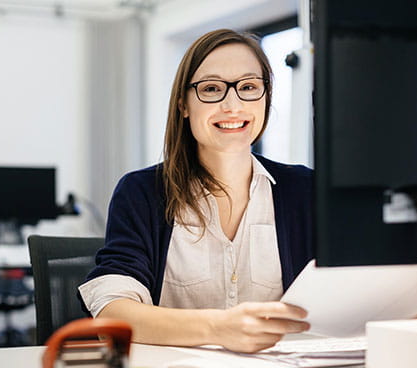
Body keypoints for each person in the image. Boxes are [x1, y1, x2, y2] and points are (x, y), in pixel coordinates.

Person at [79, 29, 313, 353]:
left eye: (248, 87)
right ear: (184, 105)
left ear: (265, 97)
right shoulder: (141, 193)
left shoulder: (306, 191)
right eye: (212, 89)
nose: (233, 105)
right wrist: (217, 328)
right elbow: (112, 311)